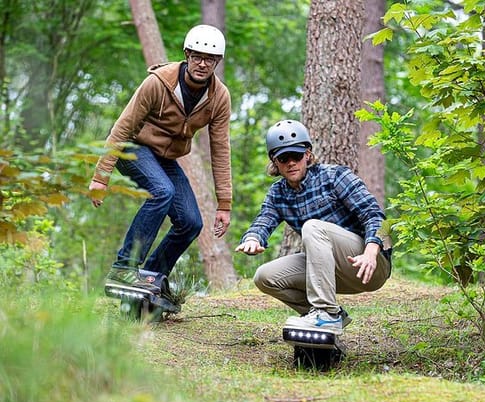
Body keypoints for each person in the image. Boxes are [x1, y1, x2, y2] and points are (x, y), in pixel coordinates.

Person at [89, 24, 232, 291]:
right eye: (197, 56)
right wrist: (101, 176)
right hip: (131, 147)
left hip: (164, 159)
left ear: (218, 61)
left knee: (191, 223)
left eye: (210, 59)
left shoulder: (219, 97)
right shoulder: (157, 83)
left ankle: (151, 278)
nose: (202, 64)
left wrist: (224, 203)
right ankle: (124, 268)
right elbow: (122, 127)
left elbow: (221, 149)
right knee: (161, 191)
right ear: (187, 54)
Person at [235, 119, 392, 335]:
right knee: (264, 276)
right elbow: (264, 220)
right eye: (283, 158)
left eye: (296, 156)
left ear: (307, 155)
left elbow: (377, 217)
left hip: (369, 265)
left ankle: (325, 313)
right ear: (275, 162)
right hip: (328, 271)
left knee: (313, 227)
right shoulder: (277, 193)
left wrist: (371, 252)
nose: (291, 163)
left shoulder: (335, 176)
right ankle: (331, 315)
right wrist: (252, 238)